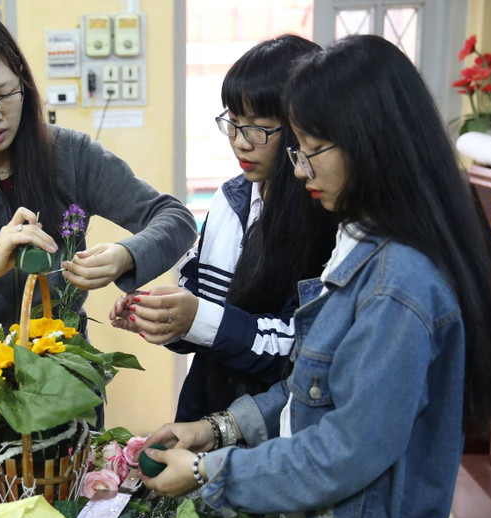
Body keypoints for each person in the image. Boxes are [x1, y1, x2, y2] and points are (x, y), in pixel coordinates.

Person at [139, 35, 491, 518]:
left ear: (370, 147)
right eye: (297, 149)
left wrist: (208, 474)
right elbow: (311, 388)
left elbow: (346, 449)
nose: (299, 168)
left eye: (310, 149)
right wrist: (216, 430)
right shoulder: (357, 241)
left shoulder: (398, 283)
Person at [0, 12, 197, 393]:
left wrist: (126, 255)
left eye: (5, 94)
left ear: (24, 84)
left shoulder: (71, 154)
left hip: (65, 383)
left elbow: (176, 218)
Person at [110, 35, 336, 422]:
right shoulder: (230, 198)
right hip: (208, 405)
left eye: (259, 128)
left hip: (272, 424)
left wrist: (197, 318)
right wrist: (162, 316)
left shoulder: (321, 217)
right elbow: (198, 303)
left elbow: (298, 350)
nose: (240, 143)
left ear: (301, 128)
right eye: (233, 121)